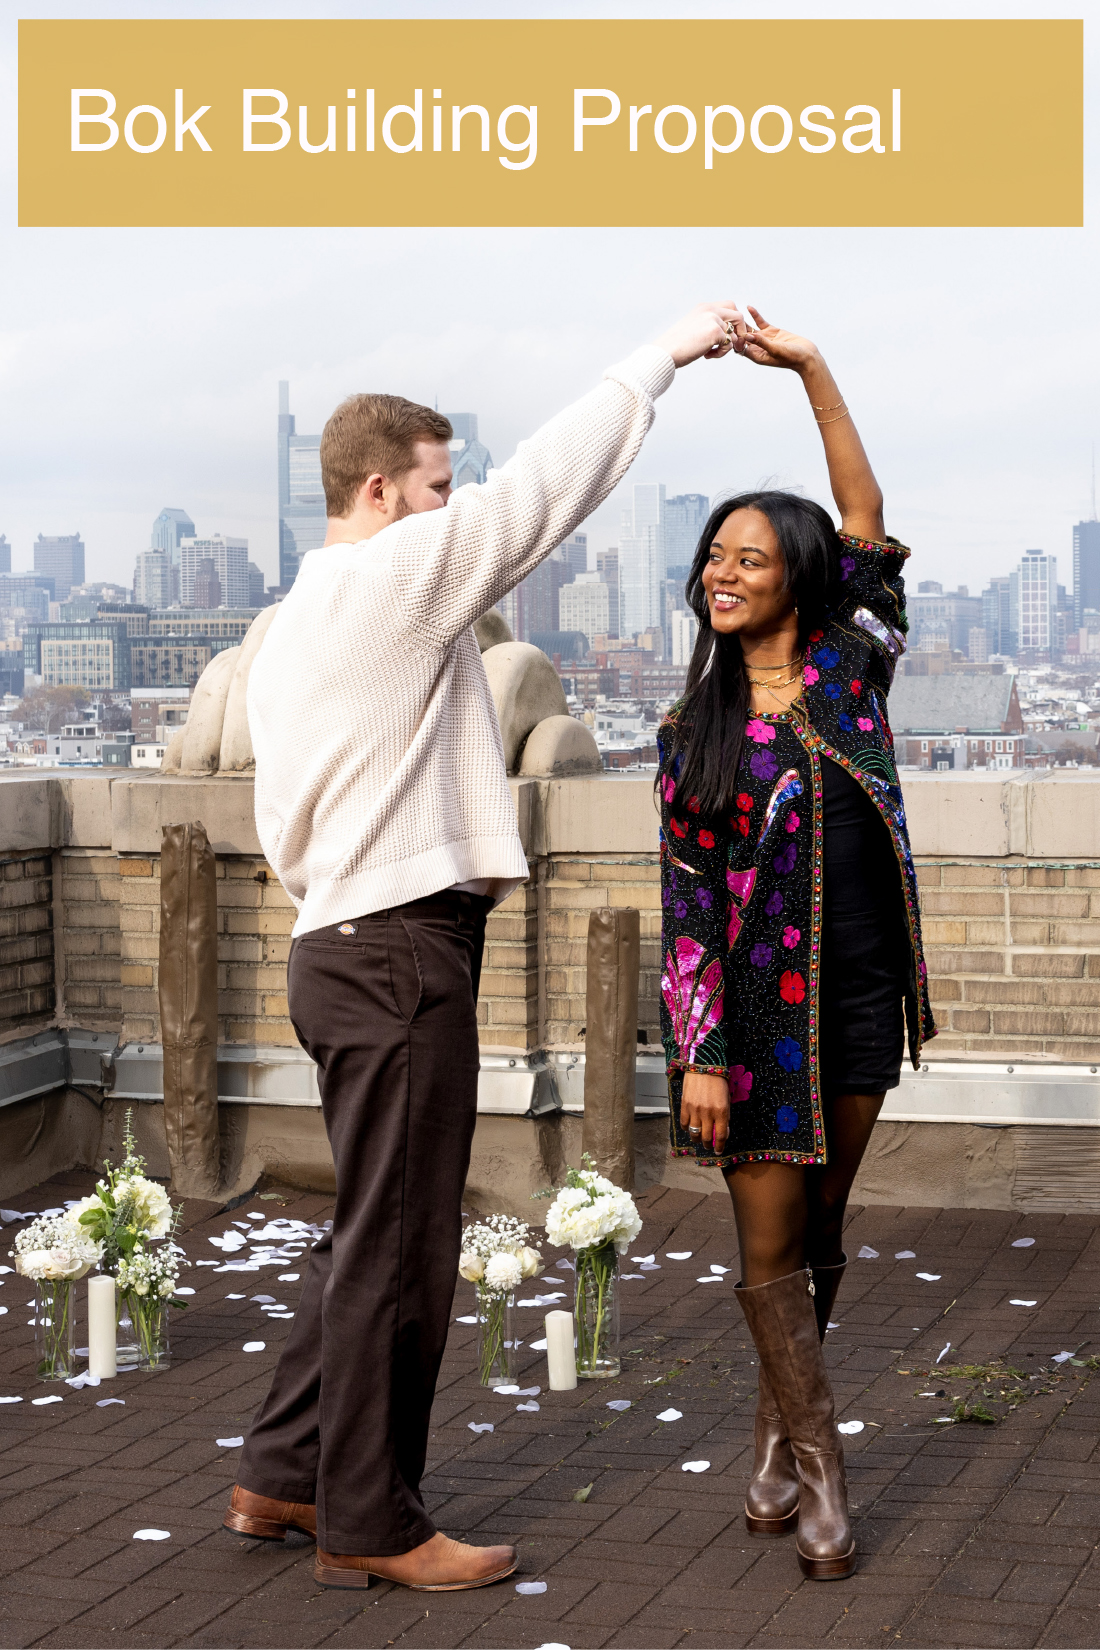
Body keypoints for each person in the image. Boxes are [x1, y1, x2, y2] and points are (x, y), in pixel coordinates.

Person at [226, 300, 745, 1592]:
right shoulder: (391, 577)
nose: (459, 508)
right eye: (440, 486)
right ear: (383, 488)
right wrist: (662, 358)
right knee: (401, 1249)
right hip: (399, 953)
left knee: (369, 1224)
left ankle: (286, 1473)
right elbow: (541, 500)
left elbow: (284, 812)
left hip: (340, 939)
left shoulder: (294, 622)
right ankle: (373, 1521)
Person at [657, 308, 935, 1583]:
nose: (722, 572)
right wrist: (699, 1056)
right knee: (766, 1243)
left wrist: (813, 372)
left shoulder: (846, 667)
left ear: (798, 581)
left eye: (750, 558)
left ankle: (775, 1438)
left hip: (865, 995)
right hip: (756, 1025)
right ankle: (822, 1481)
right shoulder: (692, 729)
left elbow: (865, 515)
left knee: (821, 1226)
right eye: (713, 555)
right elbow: (687, 908)